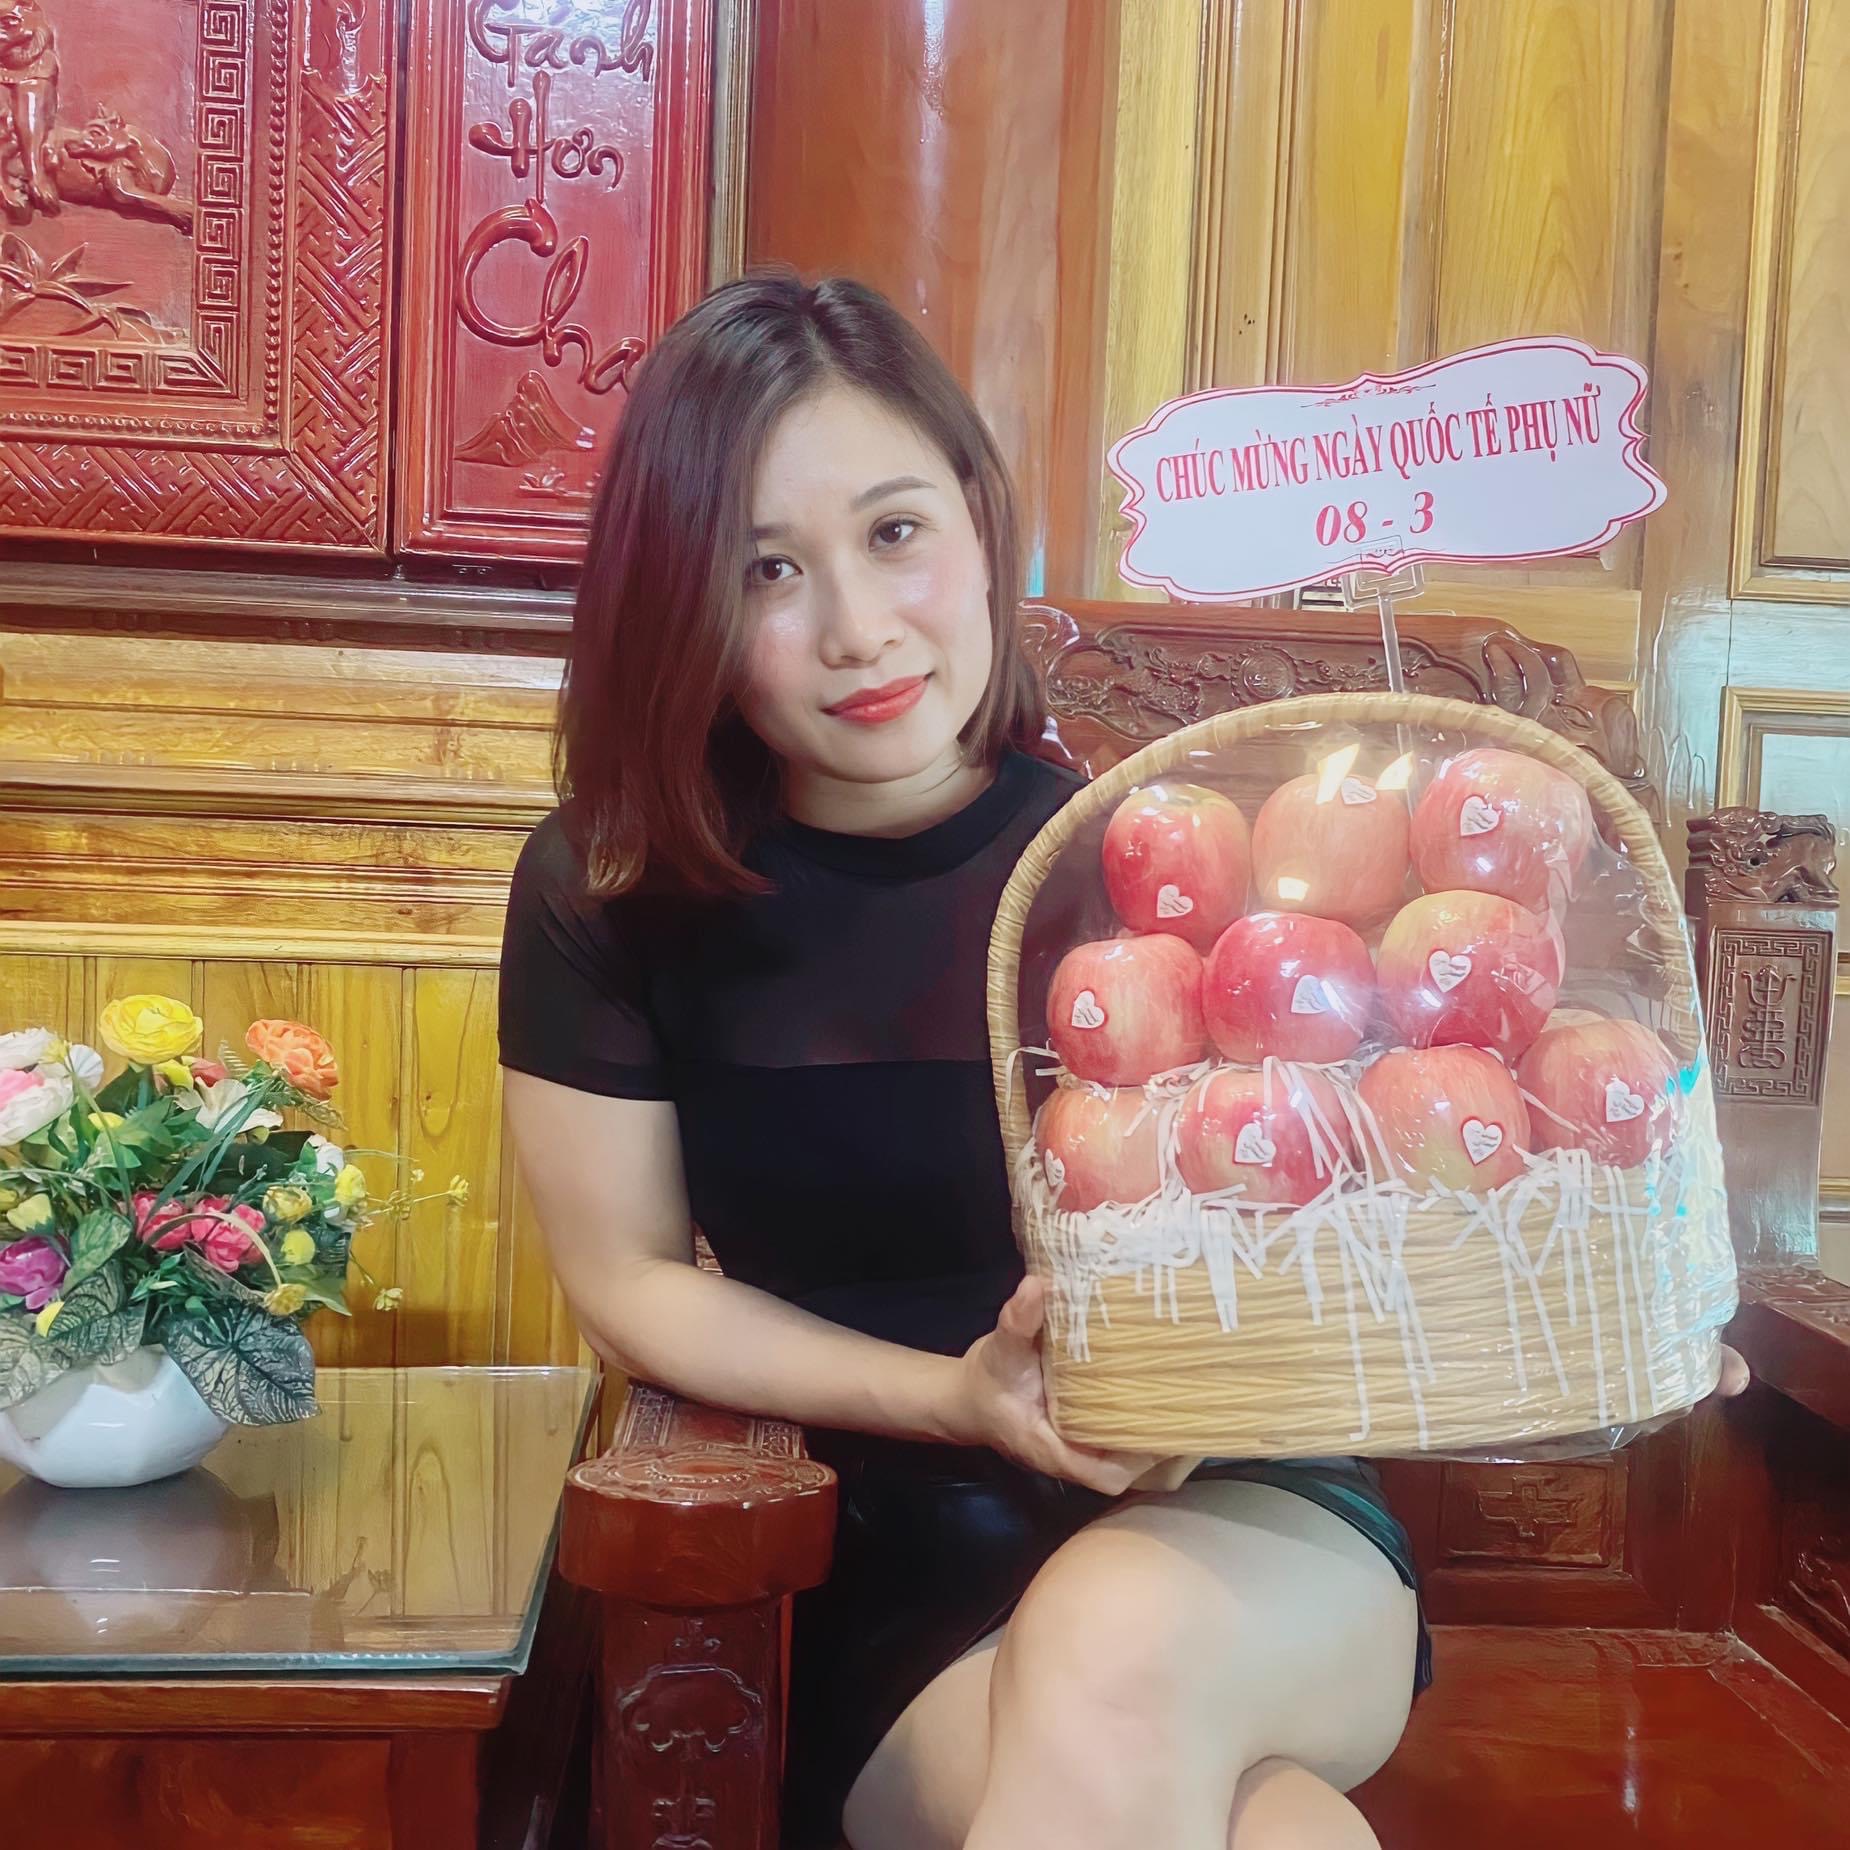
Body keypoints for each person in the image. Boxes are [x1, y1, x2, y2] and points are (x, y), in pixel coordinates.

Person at [497, 271, 1743, 1850]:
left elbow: (1389, 1167)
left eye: (894, 532)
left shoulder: (1154, 869)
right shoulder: (610, 886)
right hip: (871, 1550)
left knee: (1112, 1639)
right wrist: (959, 1397)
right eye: (767, 569)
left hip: (1248, 1514)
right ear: (683, 600)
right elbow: (627, 1279)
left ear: (977, 517)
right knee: (1285, 1835)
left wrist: (1611, 1295)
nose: (856, 627)